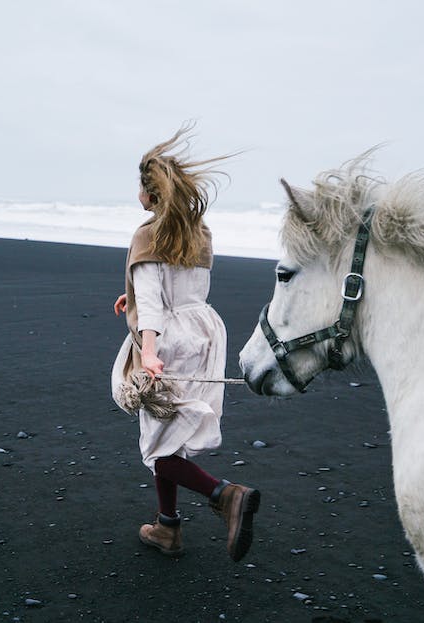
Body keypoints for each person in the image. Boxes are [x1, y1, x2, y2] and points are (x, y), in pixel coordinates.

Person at [111, 126, 260, 561]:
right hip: (206, 330)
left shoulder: (147, 234)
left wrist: (151, 351)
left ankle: (224, 495)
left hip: (170, 338)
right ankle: (168, 528)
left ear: (149, 193)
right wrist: (133, 293)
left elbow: (157, 301)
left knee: (158, 445)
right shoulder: (198, 229)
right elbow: (181, 285)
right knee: (170, 439)